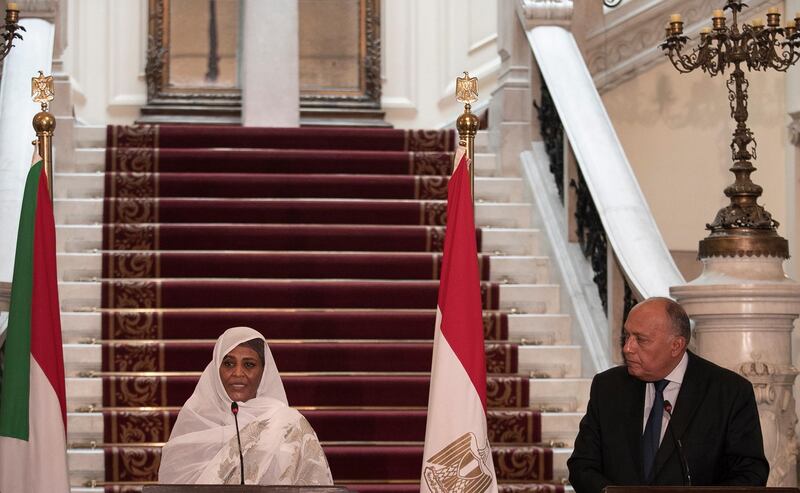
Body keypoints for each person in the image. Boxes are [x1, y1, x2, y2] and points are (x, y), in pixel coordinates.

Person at [568, 297, 769, 493]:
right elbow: (582, 465)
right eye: (627, 336)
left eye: (640, 339)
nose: (628, 348)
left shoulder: (729, 392)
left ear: (676, 345)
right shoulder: (608, 387)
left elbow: (750, 473)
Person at [158, 326, 333, 485]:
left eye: (249, 365)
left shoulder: (290, 426)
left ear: (263, 373)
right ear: (216, 369)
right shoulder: (194, 420)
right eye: (228, 364)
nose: (238, 373)